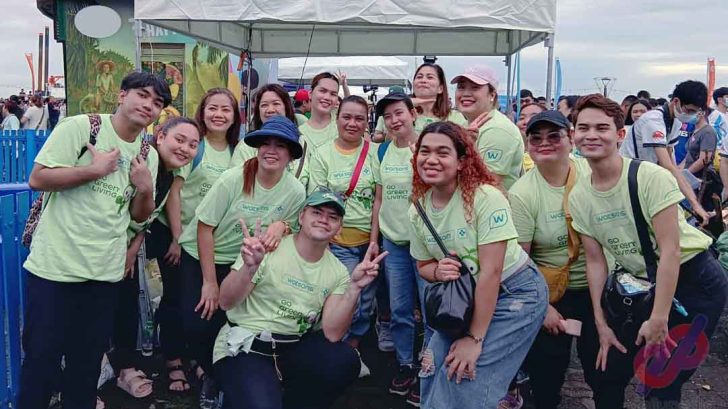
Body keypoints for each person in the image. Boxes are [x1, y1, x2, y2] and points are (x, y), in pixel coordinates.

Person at [19, 71, 171, 409]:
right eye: (142, 95)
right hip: (54, 270)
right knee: (40, 364)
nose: (148, 105)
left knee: (85, 368)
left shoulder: (148, 153)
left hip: (104, 274)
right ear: (122, 95)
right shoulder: (81, 127)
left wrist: (146, 188)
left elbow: (138, 216)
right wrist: (93, 170)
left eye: (157, 102)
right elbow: (38, 178)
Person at [569, 93, 728, 408]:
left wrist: (659, 318)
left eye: (601, 128)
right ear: (574, 134)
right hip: (641, 281)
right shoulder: (579, 196)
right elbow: (595, 261)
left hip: (695, 280)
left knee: (662, 375)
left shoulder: (650, 177)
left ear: (620, 134)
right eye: (583, 128)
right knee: (607, 369)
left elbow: (670, 251)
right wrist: (601, 322)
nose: (591, 135)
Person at [410, 121, 547, 409]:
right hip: (465, 297)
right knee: (432, 367)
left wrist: (474, 338)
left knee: (464, 378)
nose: (431, 159)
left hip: (515, 293)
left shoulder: (485, 198)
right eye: (425, 151)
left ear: (461, 161)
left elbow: (491, 273)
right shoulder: (418, 208)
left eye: (442, 153)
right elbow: (423, 265)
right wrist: (437, 271)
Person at [177, 115, 306, 409]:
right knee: (197, 323)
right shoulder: (233, 179)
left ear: (290, 155)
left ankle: (227, 380)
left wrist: (283, 225)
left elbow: (294, 226)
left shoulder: (295, 191)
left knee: (230, 322)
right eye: (266, 144)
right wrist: (210, 282)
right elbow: (204, 228)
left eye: (280, 146)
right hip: (203, 255)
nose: (271, 151)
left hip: (245, 262)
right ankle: (209, 373)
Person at [213, 188, 384, 409]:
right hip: (247, 346)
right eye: (317, 212)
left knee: (345, 360)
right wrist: (249, 268)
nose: (324, 220)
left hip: (291, 348)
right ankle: (234, 394)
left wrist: (354, 288)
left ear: (339, 228)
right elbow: (225, 302)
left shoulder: (338, 271)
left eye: (333, 217)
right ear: (301, 217)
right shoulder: (267, 248)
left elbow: (333, 334)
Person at [154, 87, 240, 405]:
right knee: (176, 300)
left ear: (235, 116)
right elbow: (175, 193)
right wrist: (177, 238)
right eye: (212, 108)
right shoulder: (195, 146)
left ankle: (201, 360)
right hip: (181, 237)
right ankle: (173, 360)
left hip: (215, 241)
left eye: (226, 109)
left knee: (207, 306)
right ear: (202, 111)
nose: (218, 115)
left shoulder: (237, 150)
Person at [508, 111, 597, 409]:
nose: (544, 143)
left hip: (597, 287)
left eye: (554, 136)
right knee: (547, 372)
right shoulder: (522, 193)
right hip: (550, 292)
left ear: (570, 139)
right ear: (528, 145)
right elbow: (519, 261)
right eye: (536, 138)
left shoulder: (590, 172)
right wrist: (542, 307)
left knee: (603, 369)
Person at [113, 117, 200, 398]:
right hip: (103, 245)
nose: (185, 148)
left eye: (193, 144)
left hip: (126, 244)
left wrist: (131, 249)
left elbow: (144, 218)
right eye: (179, 140)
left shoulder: (167, 175)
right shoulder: (142, 161)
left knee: (126, 301)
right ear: (160, 136)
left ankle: (122, 368)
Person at [307, 95, 380, 376]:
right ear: (337, 119)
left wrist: (373, 240)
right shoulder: (323, 154)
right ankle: (339, 351)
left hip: (370, 241)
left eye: (359, 118)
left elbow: (379, 200)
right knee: (346, 296)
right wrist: (325, 241)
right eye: (347, 117)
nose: (352, 123)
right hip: (337, 243)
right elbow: (318, 199)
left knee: (366, 301)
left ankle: (352, 348)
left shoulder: (375, 153)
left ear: (367, 122)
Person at [371, 93, 425, 406]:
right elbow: (379, 199)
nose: (394, 120)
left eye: (399, 113)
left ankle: (428, 368)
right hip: (394, 243)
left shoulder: (427, 146)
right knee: (400, 309)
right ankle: (406, 364)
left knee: (432, 310)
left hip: (426, 244)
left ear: (413, 113)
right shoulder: (383, 151)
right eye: (388, 116)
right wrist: (375, 239)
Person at [620, 80, 711, 224]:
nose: (692, 115)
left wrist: (693, 202)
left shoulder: (675, 121)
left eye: (695, 112)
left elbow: (671, 164)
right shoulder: (653, 120)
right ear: (676, 101)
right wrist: (694, 204)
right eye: (689, 111)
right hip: (629, 178)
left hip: (647, 176)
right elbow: (667, 165)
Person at [452, 65, 524, 189]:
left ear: (492, 95)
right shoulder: (466, 125)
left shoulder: (498, 129)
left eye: (475, 87)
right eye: (461, 87)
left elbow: (488, 184)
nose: (466, 93)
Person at [231, 84, 298, 167]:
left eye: (276, 104)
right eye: (264, 105)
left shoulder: (301, 142)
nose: (270, 110)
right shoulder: (245, 146)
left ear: (286, 107)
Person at [410, 63, 467, 132]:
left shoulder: (455, 117)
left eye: (430, 77)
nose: (423, 80)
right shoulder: (405, 114)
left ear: (440, 88)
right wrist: (406, 104)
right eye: (419, 77)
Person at [516, 103, 547, 173]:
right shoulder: (511, 151)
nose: (526, 121)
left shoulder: (551, 154)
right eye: (521, 118)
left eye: (533, 117)